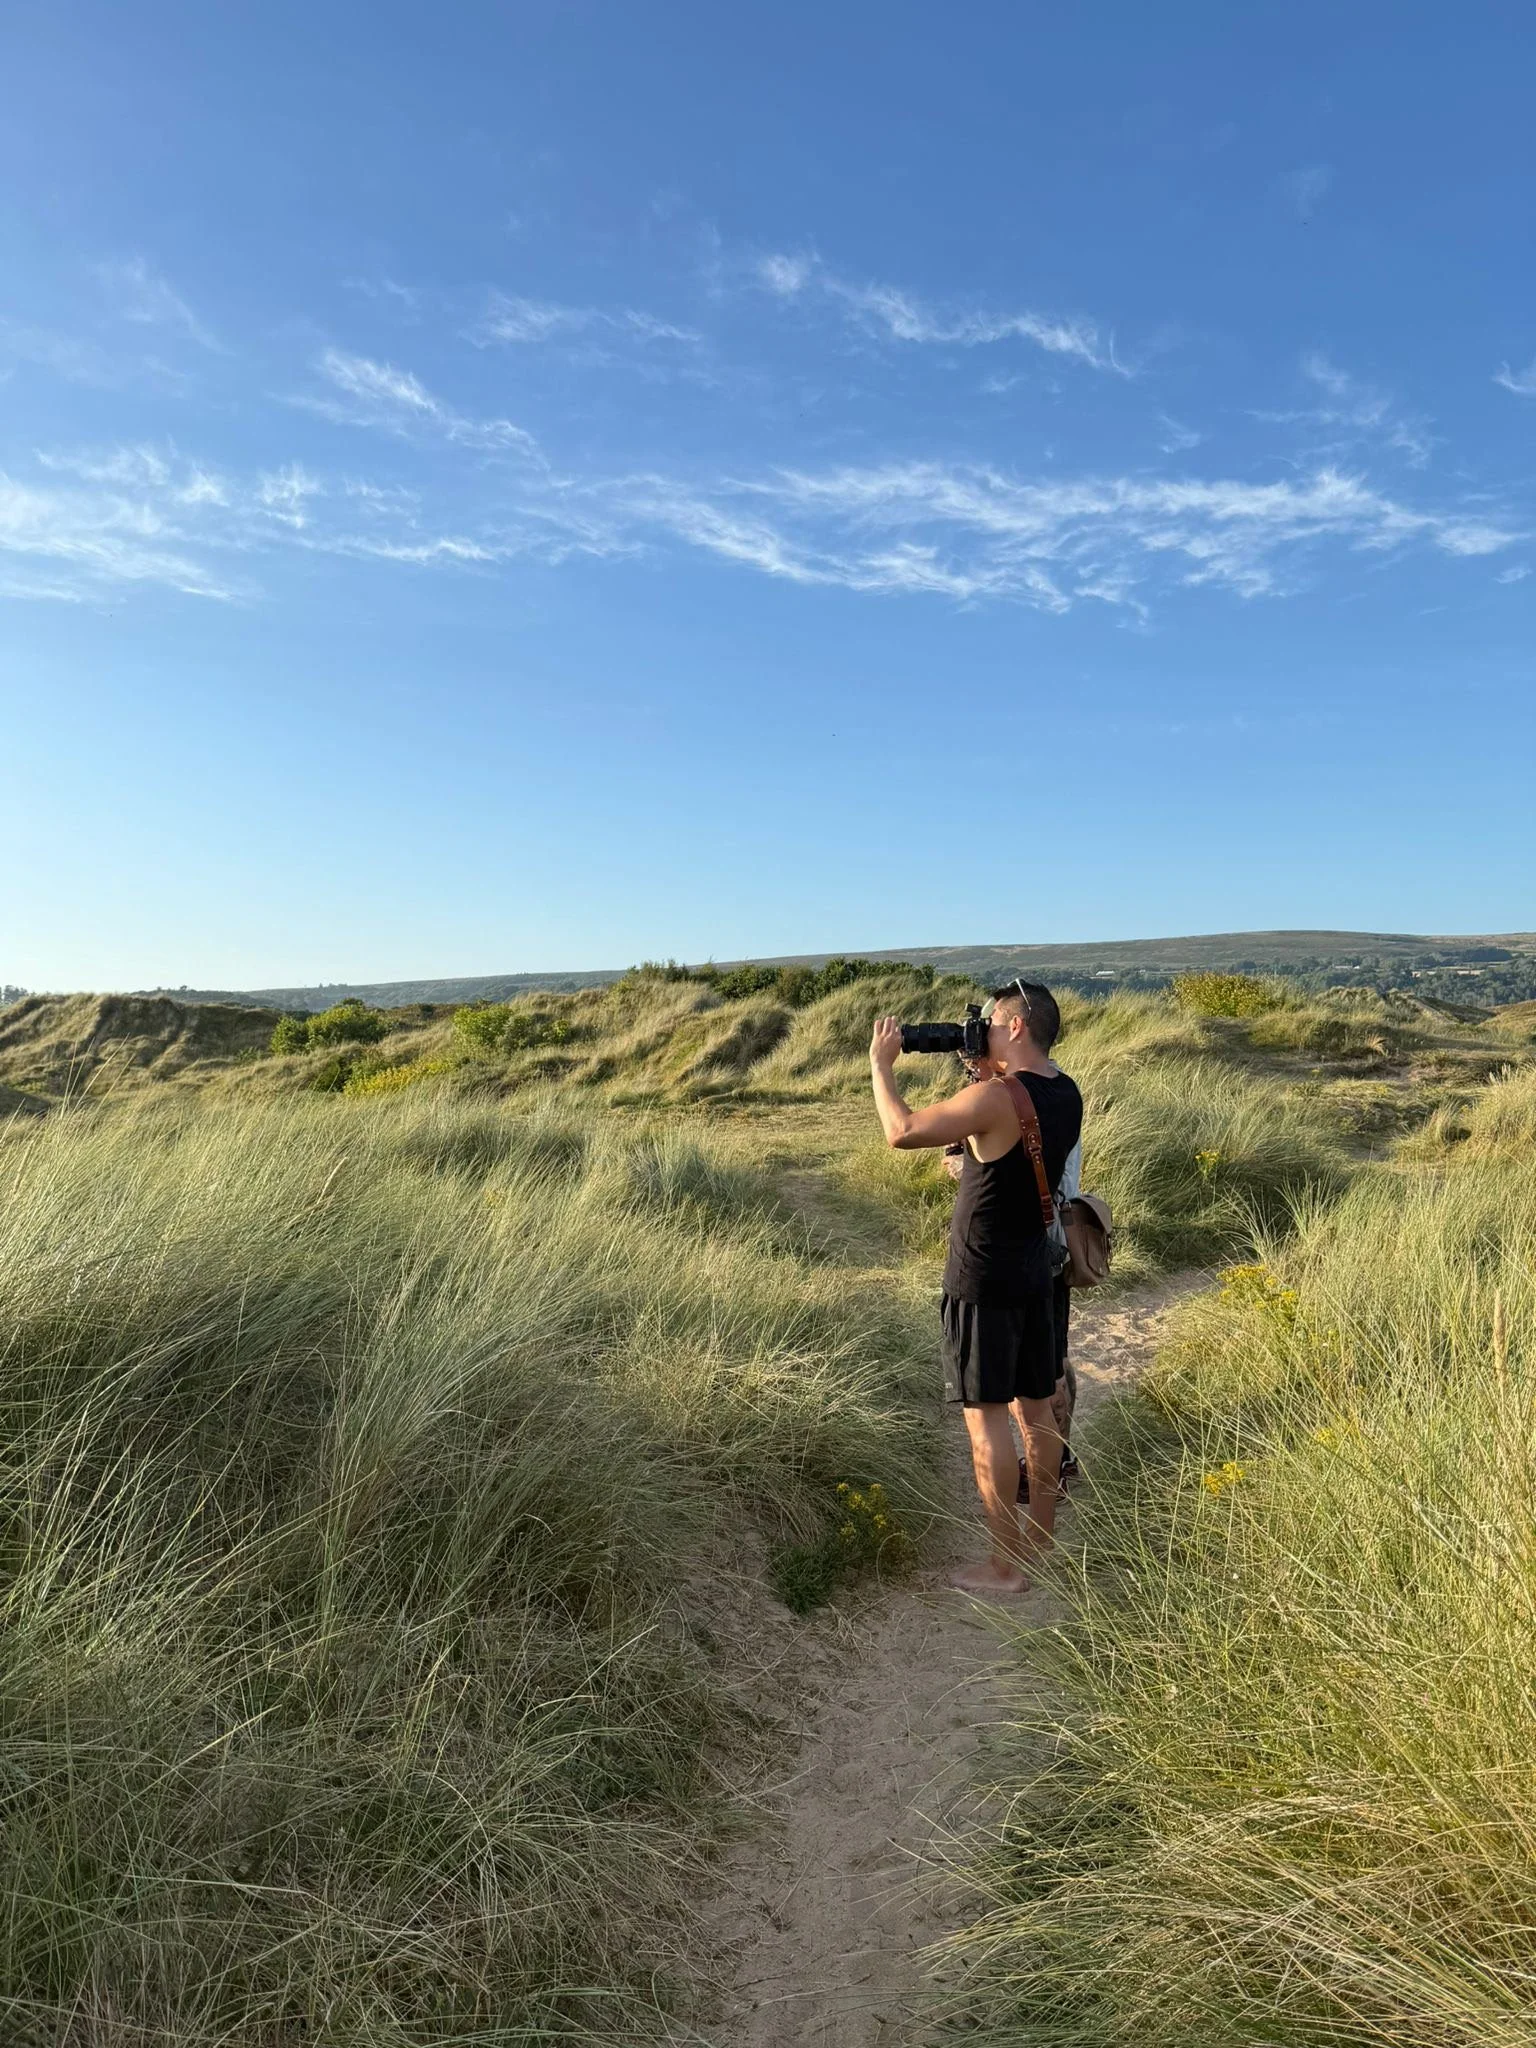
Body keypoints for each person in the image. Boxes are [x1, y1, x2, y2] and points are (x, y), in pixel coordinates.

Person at [870, 982, 1083, 1594]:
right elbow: (1017, 1127)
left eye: (990, 1023)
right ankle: (1039, 1542)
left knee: (986, 1419)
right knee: (1038, 1411)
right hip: (1036, 1275)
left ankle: (1003, 1567)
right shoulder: (1065, 1091)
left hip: (983, 1276)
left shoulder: (993, 1098)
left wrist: (883, 1067)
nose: (981, 1031)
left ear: (1015, 1027)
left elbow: (902, 1130)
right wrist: (989, 1070)